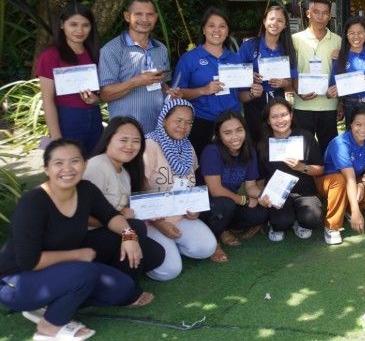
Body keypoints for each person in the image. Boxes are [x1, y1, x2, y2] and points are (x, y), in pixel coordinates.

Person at [0, 140, 152, 341]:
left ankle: (50, 302)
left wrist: (129, 235)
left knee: (122, 287)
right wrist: (77, 255)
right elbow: (29, 261)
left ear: (84, 164)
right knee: (84, 271)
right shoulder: (33, 202)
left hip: (63, 268)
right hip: (16, 281)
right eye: (58, 163)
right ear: (46, 168)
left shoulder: (85, 189)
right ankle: (49, 327)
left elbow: (110, 216)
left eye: (74, 161)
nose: (67, 169)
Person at [83, 117, 165, 289]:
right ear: (108, 140)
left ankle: (109, 277)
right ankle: (128, 289)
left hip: (115, 231)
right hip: (88, 237)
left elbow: (125, 210)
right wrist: (121, 220)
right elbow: (81, 216)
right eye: (123, 140)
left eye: (136, 141)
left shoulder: (125, 171)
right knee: (136, 228)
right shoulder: (97, 166)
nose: (130, 146)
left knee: (156, 254)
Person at [142, 99, 217, 281]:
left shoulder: (187, 146)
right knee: (169, 271)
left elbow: (191, 185)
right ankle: (161, 247)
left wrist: (194, 209)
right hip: (150, 222)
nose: (183, 127)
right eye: (178, 120)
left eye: (189, 122)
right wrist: (159, 224)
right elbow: (137, 192)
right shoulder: (149, 145)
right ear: (164, 120)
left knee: (207, 248)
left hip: (179, 216)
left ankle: (171, 245)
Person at [174, 7, 259, 153]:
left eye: (222, 26)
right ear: (203, 30)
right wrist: (203, 90)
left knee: (234, 167)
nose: (217, 30)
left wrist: (252, 94)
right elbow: (176, 93)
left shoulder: (235, 59)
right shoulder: (189, 58)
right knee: (202, 170)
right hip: (201, 123)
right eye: (211, 25)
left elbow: (239, 95)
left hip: (232, 124)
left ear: (227, 32)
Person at [200, 112, 269, 263]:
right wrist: (244, 200)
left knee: (261, 213)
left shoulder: (248, 151)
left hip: (229, 204)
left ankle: (224, 228)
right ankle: (214, 241)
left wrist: (265, 195)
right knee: (226, 203)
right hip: (207, 206)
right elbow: (215, 190)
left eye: (239, 130)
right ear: (219, 135)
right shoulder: (212, 151)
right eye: (227, 133)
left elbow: (250, 186)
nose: (235, 137)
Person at [99, 0, 171, 136]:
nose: (144, 19)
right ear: (127, 16)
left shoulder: (160, 49)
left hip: (158, 130)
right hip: (126, 133)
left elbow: (162, 84)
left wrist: (170, 93)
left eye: (149, 14)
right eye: (138, 14)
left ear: (155, 17)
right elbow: (105, 94)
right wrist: (136, 82)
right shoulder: (112, 50)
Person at [36, 2, 103, 152]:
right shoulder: (50, 55)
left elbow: (100, 93)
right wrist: (56, 137)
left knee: (95, 167)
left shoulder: (93, 52)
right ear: (62, 25)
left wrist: (96, 100)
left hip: (94, 119)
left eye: (85, 25)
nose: (79, 30)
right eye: (73, 24)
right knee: (71, 169)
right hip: (67, 120)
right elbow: (47, 100)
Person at [256, 98, 325, 242]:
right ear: (268, 121)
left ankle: (298, 219)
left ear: (291, 115)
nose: (280, 120)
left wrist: (302, 167)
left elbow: (320, 169)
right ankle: (285, 220)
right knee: (281, 222)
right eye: (274, 117)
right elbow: (260, 178)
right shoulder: (263, 144)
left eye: (284, 115)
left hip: (304, 193)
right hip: (278, 194)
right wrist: (262, 195)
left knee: (312, 219)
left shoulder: (306, 137)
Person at [317, 107, 365, 244]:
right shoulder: (340, 144)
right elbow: (349, 178)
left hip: (351, 180)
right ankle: (331, 226)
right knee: (340, 180)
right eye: (358, 124)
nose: (363, 129)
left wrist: (363, 184)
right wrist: (356, 210)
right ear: (350, 124)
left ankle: (346, 209)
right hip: (329, 181)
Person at [237, 5, 299, 143]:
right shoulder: (249, 46)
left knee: (277, 141)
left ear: (285, 25)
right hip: (253, 100)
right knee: (254, 142)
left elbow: (291, 84)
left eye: (280, 20)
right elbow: (236, 75)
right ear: (264, 21)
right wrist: (249, 75)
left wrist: (284, 83)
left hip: (277, 100)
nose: (275, 23)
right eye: (271, 19)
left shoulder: (287, 49)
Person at [293, 0, 342, 149]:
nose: (320, 17)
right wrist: (297, 90)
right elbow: (291, 71)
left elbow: (341, 73)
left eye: (325, 13)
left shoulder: (338, 41)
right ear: (308, 13)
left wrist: (341, 101)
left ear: (330, 15)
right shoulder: (295, 39)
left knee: (328, 150)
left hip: (329, 105)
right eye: (316, 12)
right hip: (302, 105)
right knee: (303, 150)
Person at [326, 16, 365, 126]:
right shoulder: (340, 56)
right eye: (352, 33)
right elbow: (331, 91)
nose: (356, 36)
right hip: (351, 106)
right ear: (346, 35)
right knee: (355, 141)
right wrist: (330, 92)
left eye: (360, 32)